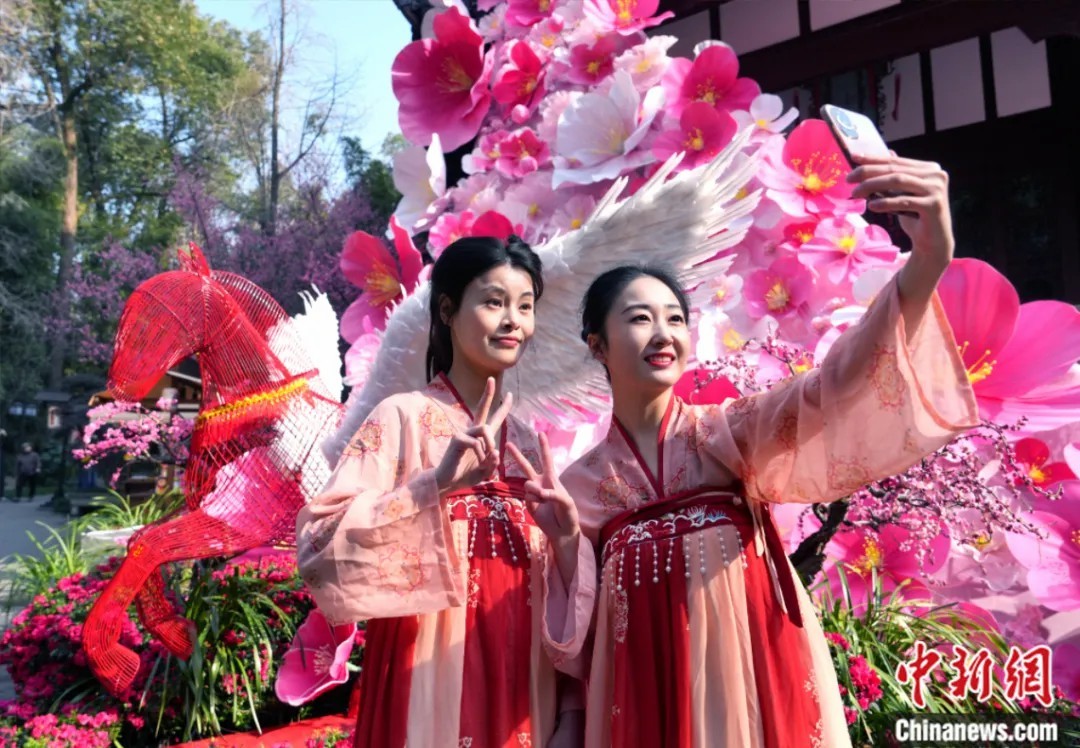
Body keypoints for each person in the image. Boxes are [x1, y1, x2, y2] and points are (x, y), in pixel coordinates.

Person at [508, 153, 979, 747]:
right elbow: (575, 642)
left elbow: (832, 385)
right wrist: (565, 544)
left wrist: (928, 260)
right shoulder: (577, 488)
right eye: (640, 319)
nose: (663, 333)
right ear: (597, 345)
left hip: (753, 684)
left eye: (675, 318)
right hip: (641, 702)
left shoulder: (731, 434)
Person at [296, 235, 593, 748]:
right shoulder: (401, 417)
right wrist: (434, 487)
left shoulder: (527, 443)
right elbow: (320, 545)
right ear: (448, 311)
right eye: (494, 302)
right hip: (426, 674)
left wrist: (567, 542)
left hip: (526, 687)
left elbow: (559, 593)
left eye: (525, 306)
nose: (513, 321)